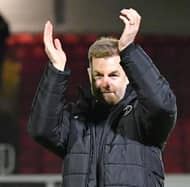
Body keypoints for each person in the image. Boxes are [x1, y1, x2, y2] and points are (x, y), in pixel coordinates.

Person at [28, 8, 177, 187]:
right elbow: (41, 129)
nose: (105, 83)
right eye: (99, 75)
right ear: (90, 74)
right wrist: (56, 70)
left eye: (113, 75)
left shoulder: (143, 118)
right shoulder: (77, 119)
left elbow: (163, 106)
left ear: (128, 75)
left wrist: (129, 51)